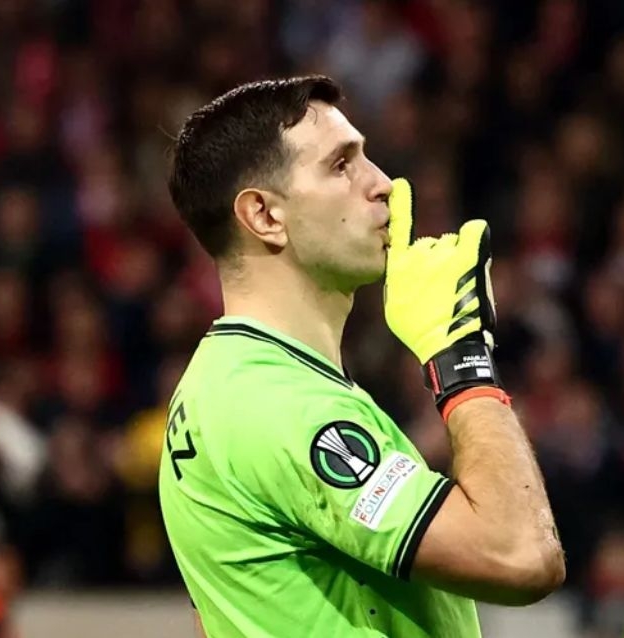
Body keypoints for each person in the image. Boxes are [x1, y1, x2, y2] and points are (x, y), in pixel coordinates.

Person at [157, 75, 566, 638]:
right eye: (341, 166)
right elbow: (522, 556)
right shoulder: (281, 405)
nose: (384, 184)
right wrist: (461, 356)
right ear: (264, 215)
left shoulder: (219, 388)